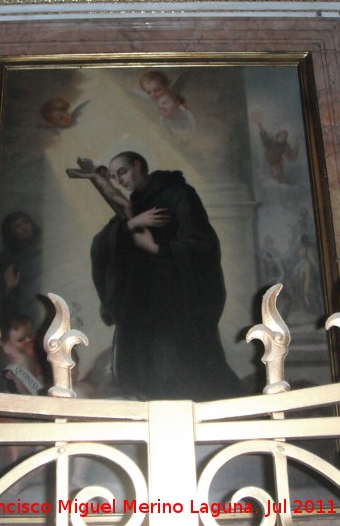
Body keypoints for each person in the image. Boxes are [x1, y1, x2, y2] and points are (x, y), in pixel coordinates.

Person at [90, 151, 243, 401]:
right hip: (142, 303)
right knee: (145, 376)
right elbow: (101, 246)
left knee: (180, 371)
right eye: (115, 176)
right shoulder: (135, 205)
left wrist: (157, 249)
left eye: (123, 172)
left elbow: (203, 244)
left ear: (138, 165)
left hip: (177, 301)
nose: (120, 180)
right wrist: (130, 225)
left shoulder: (179, 194)